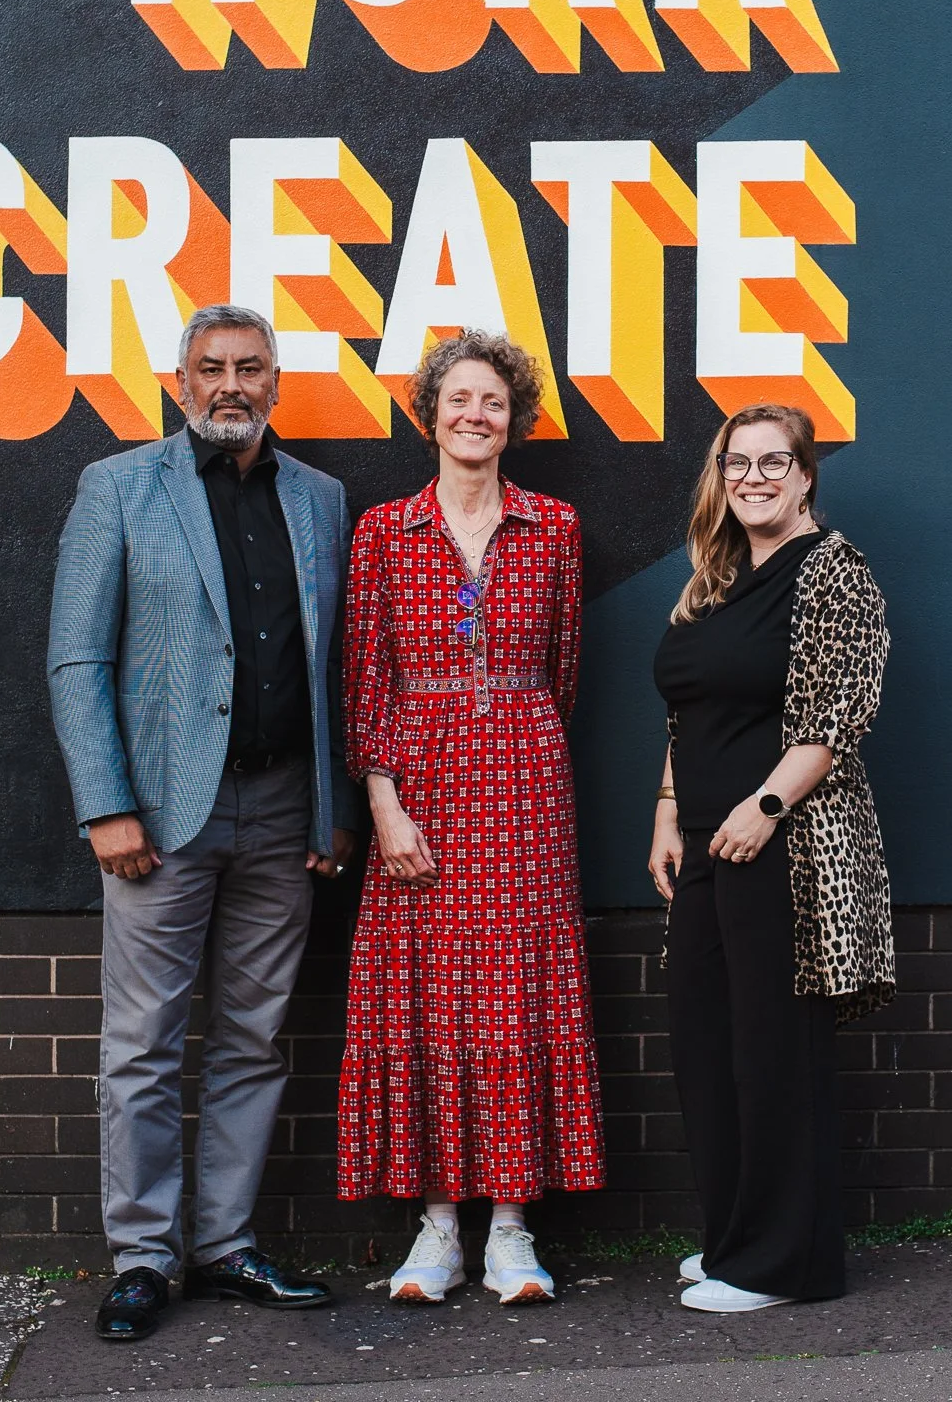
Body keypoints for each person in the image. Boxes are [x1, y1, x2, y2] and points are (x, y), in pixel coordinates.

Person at [48, 304, 359, 1344]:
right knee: (142, 1041)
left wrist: (332, 804)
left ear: (278, 380)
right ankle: (143, 1255)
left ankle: (224, 1244)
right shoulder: (119, 487)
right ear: (178, 383)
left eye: (252, 367)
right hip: (159, 816)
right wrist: (106, 803)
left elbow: (341, 669)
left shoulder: (321, 498)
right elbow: (78, 658)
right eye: (211, 367)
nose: (232, 383)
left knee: (253, 1037)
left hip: (283, 810)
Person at [338, 330, 604, 1304]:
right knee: (431, 1002)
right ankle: (437, 1227)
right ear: (430, 411)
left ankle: (512, 1228)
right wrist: (383, 803)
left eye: (492, 399)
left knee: (519, 1000)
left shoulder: (555, 528)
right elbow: (365, 679)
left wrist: (511, 734)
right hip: (419, 799)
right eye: (458, 398)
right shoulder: (383, 532)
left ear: (514, 417)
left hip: (528, 795)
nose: (474, 414)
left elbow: (564, 669)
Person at [649, 404, 894, 1315]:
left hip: (782, 850)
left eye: (772, 462)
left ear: (803, 476)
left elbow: (837, 717)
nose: (753, 477)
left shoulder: (834, 574)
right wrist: (667, 812)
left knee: (772, 1056)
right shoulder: (714, 578)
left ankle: (781, 1266)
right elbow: (688, 714)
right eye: (736, 462)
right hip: (708, 846)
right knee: (707, 1047)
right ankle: (732, 1243)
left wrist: (762, 807)